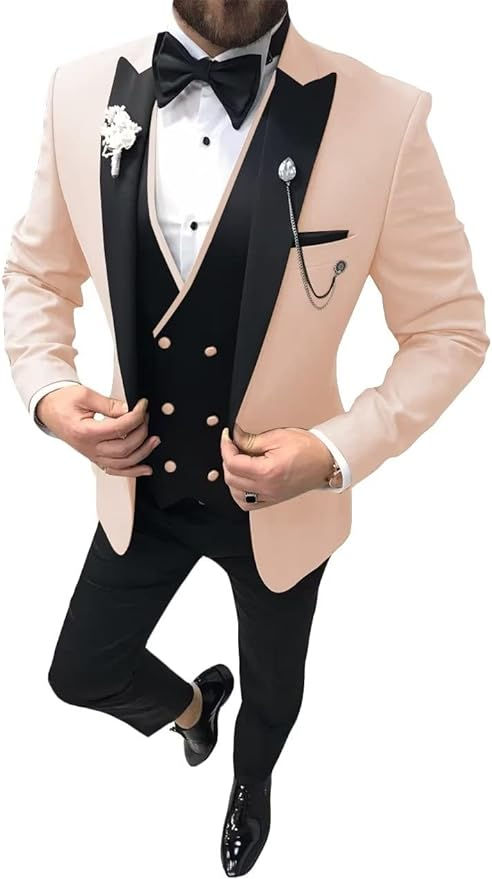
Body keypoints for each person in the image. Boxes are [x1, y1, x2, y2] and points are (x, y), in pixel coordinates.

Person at [2, 1, 489, 874]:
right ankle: (194, 710)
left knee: (274, 690)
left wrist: (334, 452)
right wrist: (49, 390)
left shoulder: (387, 116)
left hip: (284, 505)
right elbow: (35, 275)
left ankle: (251, 778)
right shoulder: (78, 92)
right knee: (81, 670)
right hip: (141, 486)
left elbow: (450, 328)